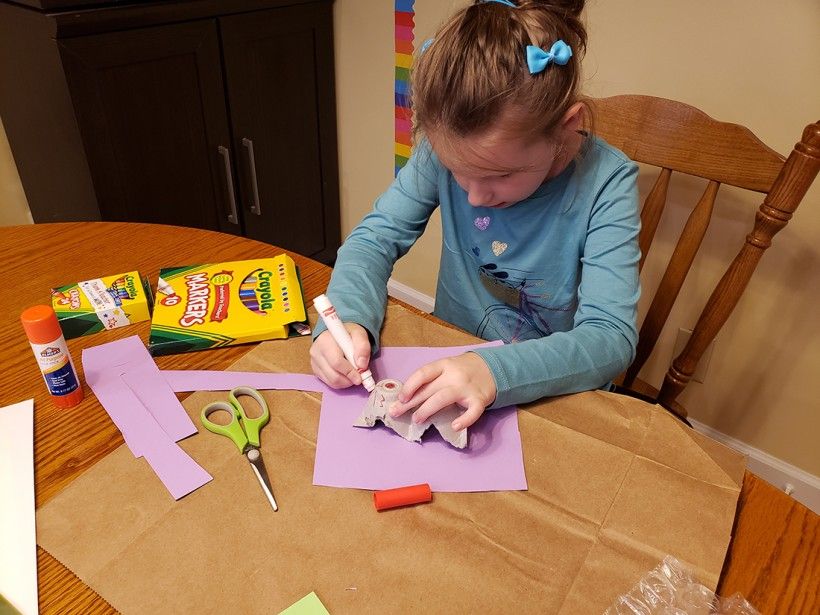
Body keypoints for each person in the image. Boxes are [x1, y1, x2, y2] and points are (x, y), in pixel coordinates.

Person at [310, 0, 640, 433]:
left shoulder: (608, 183)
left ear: (568, 126)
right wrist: (349, 319)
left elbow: (609, 339)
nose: (476, 197)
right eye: (457, 173)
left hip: (551, 398)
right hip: (447, 363)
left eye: (500, 175)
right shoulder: (442, 150)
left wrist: (490, 372)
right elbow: (373, 241)